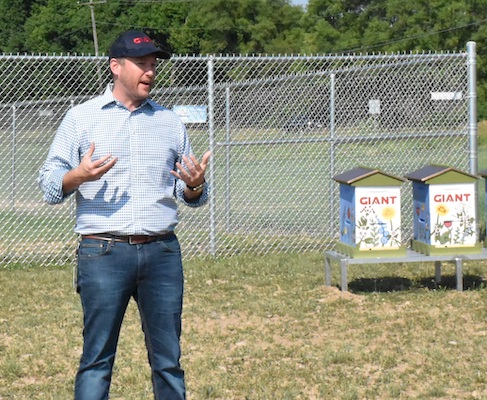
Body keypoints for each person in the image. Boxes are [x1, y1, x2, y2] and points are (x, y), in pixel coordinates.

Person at [38, 30, 210, 400]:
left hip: (162, 254)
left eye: (153, 65)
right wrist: (77, 176)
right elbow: (49, 185)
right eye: (142, 64)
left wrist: (195, 185)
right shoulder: (81, 118)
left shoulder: (169, 122)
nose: (150, 71)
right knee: (97, 361)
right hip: (103, 254)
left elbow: (190, 195)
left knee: (168, 361)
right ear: (115, 66)